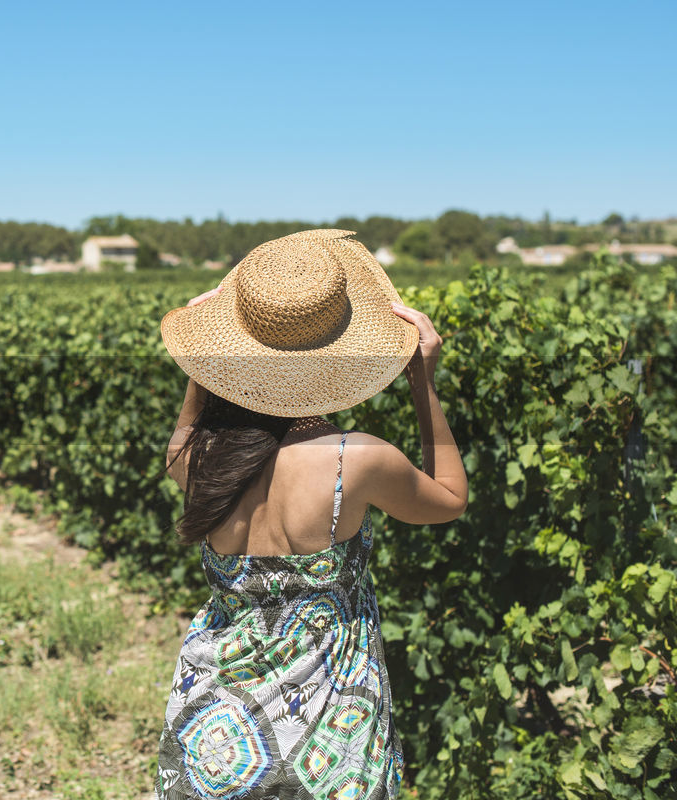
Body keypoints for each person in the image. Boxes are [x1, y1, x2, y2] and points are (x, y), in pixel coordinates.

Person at [153, 229, 468, 799]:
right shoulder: (357, 459)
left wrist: (205, 365)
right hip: (328, 730)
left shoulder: (197, 459)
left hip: (217, 723)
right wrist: (422, 379)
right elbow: (450, 497)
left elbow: (185, 429)